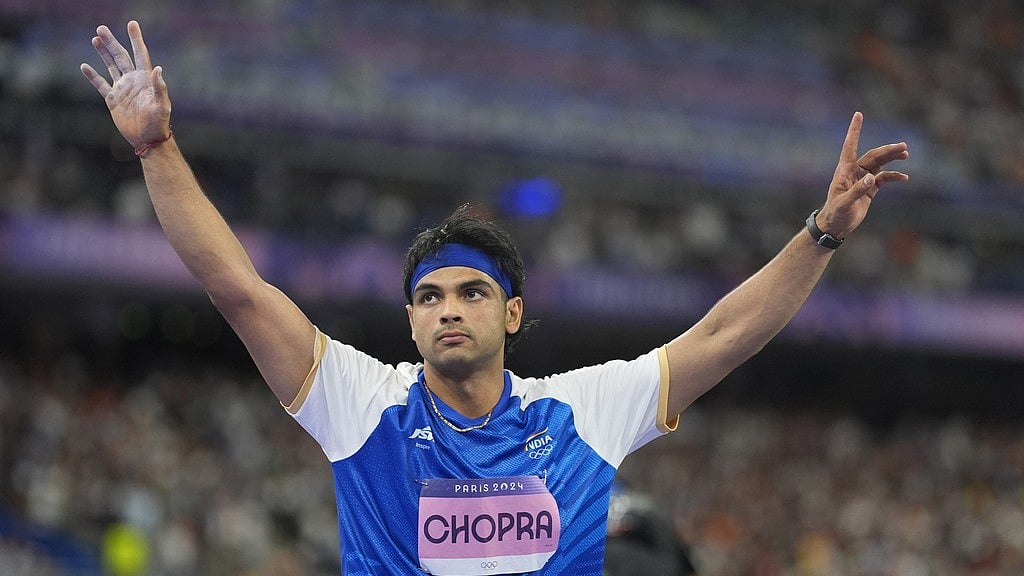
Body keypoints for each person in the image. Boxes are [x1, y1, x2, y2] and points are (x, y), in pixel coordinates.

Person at [81, 20, 909, 576]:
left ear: (512, 313)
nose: (448, 308)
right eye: (430, 296)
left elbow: (724, 334)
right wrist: (155, 146)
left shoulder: (581, 413)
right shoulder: (361, 404)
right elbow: (239, 290)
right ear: (409, 318)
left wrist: (821, 233)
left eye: (473, 292)